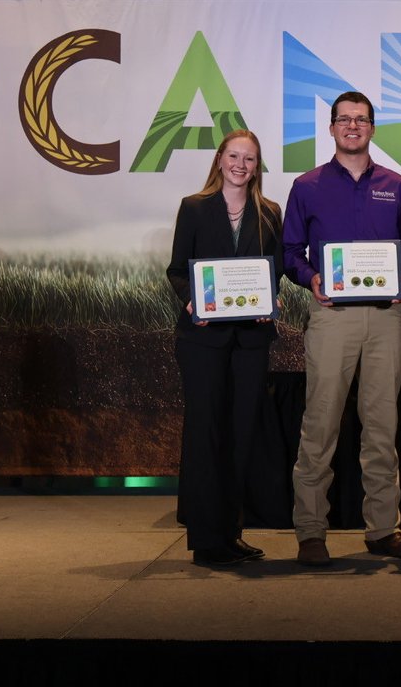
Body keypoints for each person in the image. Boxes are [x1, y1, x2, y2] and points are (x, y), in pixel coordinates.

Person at [283, 91, 401, 566]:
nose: (352, 126)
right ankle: (310, 532)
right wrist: (312, 278)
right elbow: (290, 252)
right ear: (331, 128)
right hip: (332, 318)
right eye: (344, 119)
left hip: (385, 318)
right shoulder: (307, 186)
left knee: (382, 427)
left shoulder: (396, 185)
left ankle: (383, 529)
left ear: (372, 128)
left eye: (361, 119)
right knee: (320, 424)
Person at [166, 129, 283, 567]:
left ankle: (231, 534)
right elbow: (178, 270)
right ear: (219, 159)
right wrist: (192, 299)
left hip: (250, 340)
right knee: (205, 434)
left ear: (257, 166)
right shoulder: (194, 207)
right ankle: (204, 539)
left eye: (249, 159)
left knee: (240, 435)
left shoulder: (269, 212)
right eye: (234, 156)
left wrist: (270, 299)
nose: (240, 165)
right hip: (202, 340)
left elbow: (273, 272)